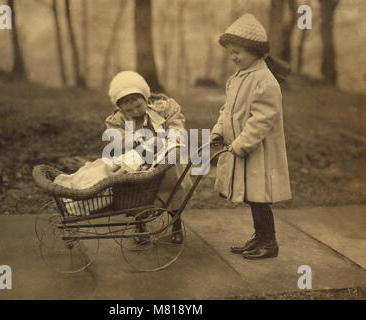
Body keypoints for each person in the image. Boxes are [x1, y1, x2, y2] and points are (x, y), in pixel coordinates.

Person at [210, 14, 291, 259]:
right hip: (242, 150)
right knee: (252, 197)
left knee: (260, 198)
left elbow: (262, 120)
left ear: (255, 50)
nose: (233, 57)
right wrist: (218, 132)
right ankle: (260, 237)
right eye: (230, 52)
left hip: (259, 152)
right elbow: (227, 111)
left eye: (238, 52)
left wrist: (241, 144)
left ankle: (269, 242)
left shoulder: (265, 80)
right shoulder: (236, 79)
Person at [105, 71, 192, 243]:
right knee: (138, 191)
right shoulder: (118, 119)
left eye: (138, 106)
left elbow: (176, 124)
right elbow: (114, 136)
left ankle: (175, 222)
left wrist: (171, 138)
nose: (135, 111)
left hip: (167, 157)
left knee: (174, 187)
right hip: (139, 160)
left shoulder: (163, 107)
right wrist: (136, 140)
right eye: (129, 110)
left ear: (145, 98)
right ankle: (140, 224)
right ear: (121, 107)